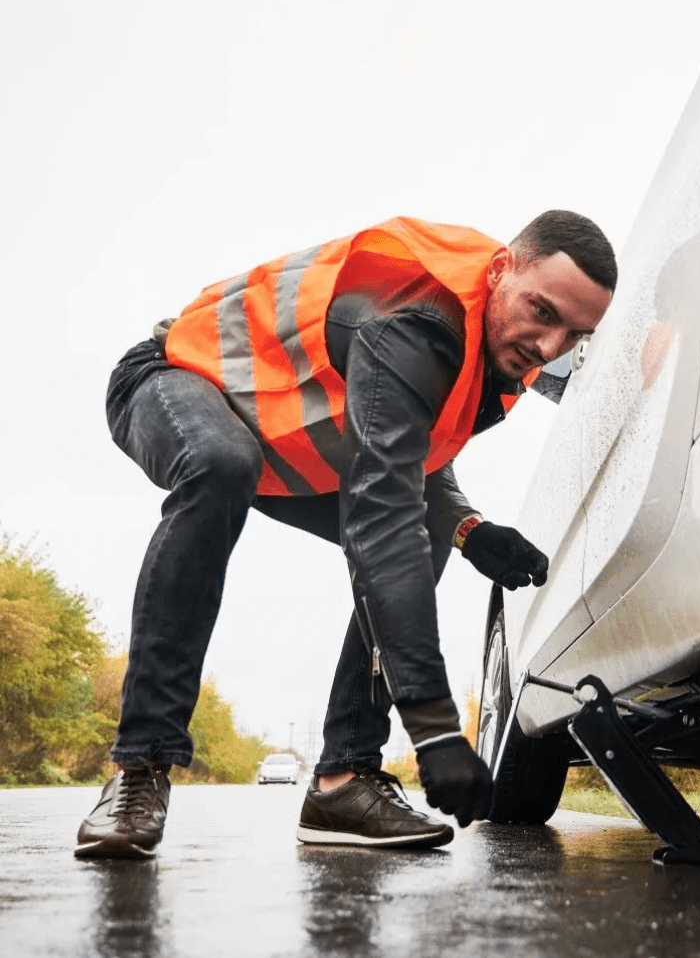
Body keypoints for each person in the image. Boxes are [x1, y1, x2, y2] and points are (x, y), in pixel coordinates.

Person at [75, 211, 616, 859]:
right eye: (542, 311)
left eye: (574, 335)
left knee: (421, 525)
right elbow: (379, 520)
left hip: (284, 440)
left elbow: (414, 459)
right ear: (502, 269)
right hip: (174, 378)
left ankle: (343, 780)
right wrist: (437, 731)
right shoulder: (416, 321)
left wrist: (468, 530)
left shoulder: (501, 346)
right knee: (222, 467)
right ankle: (139, 769)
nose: (550, 347)